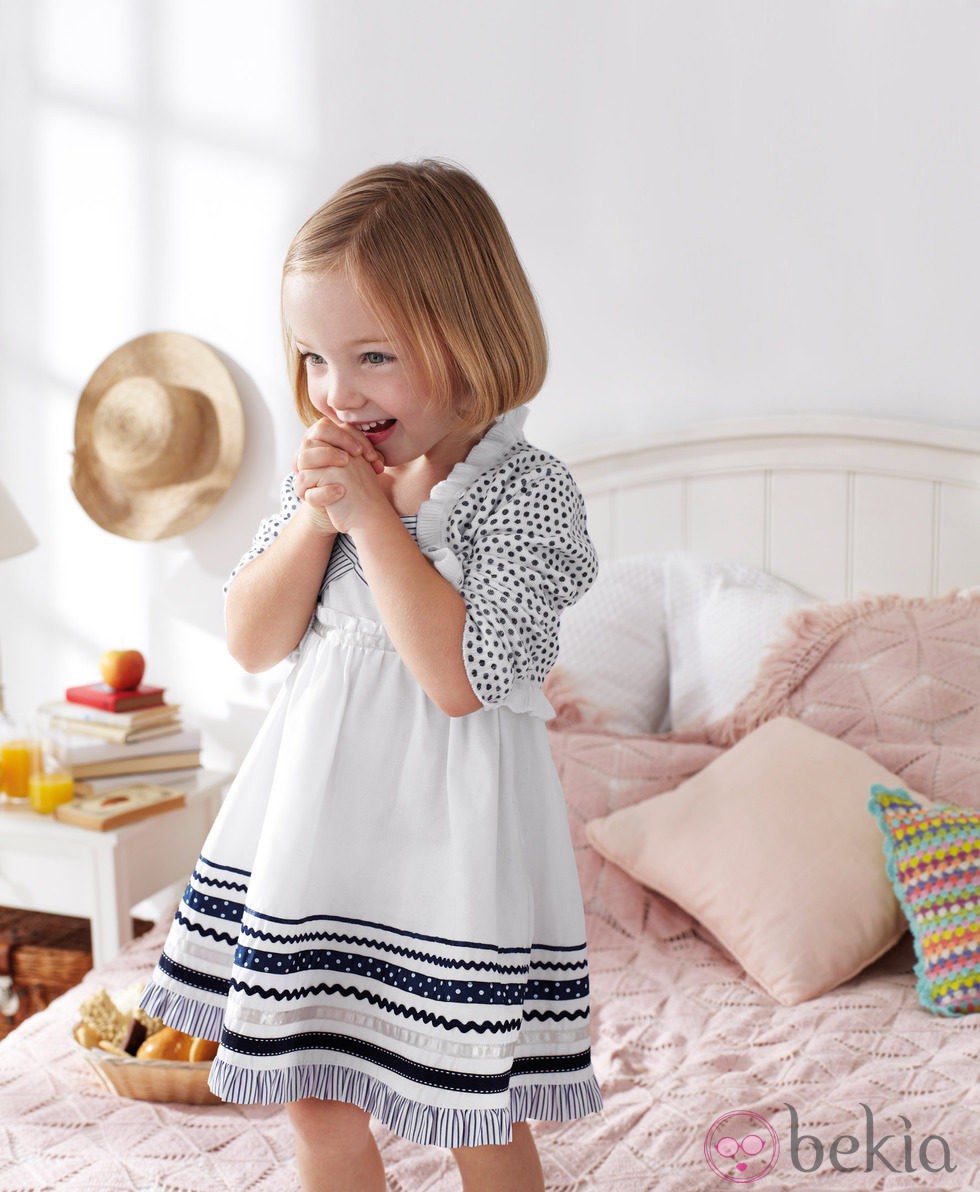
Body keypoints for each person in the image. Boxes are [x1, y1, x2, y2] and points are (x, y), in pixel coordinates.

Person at [140, 159, 602, 1191]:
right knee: (316, 1102)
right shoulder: (330, 478)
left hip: (451, 856)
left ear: (472, 338)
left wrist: (375, 522)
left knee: (470, 1108)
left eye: (374, 356)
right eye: (313, 357)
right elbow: (254, 639)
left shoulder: (521, 492)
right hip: (322, 842)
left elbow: (457, 676)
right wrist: (319, 513)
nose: (336, 393)